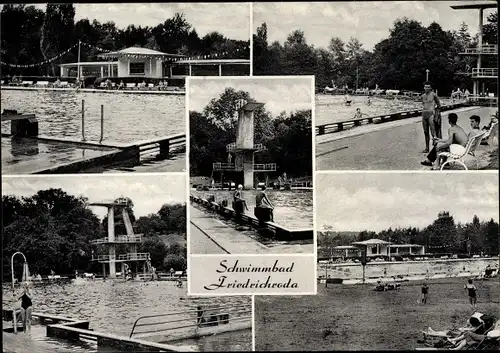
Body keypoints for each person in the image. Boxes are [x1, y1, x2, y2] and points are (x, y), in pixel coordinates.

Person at [421, 81, 442, 153]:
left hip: (431, 114)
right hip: (424, 114)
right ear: (424, 87)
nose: (427, 88)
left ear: (431, 88)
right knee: (425, 131)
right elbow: (423, 104)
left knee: (433, 132)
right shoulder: (423, 96)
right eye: (425, 87)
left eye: (428, 87)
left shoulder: (434, 95)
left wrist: (436, 113)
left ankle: (436, 147)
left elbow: (439, 105)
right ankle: (427, 148)